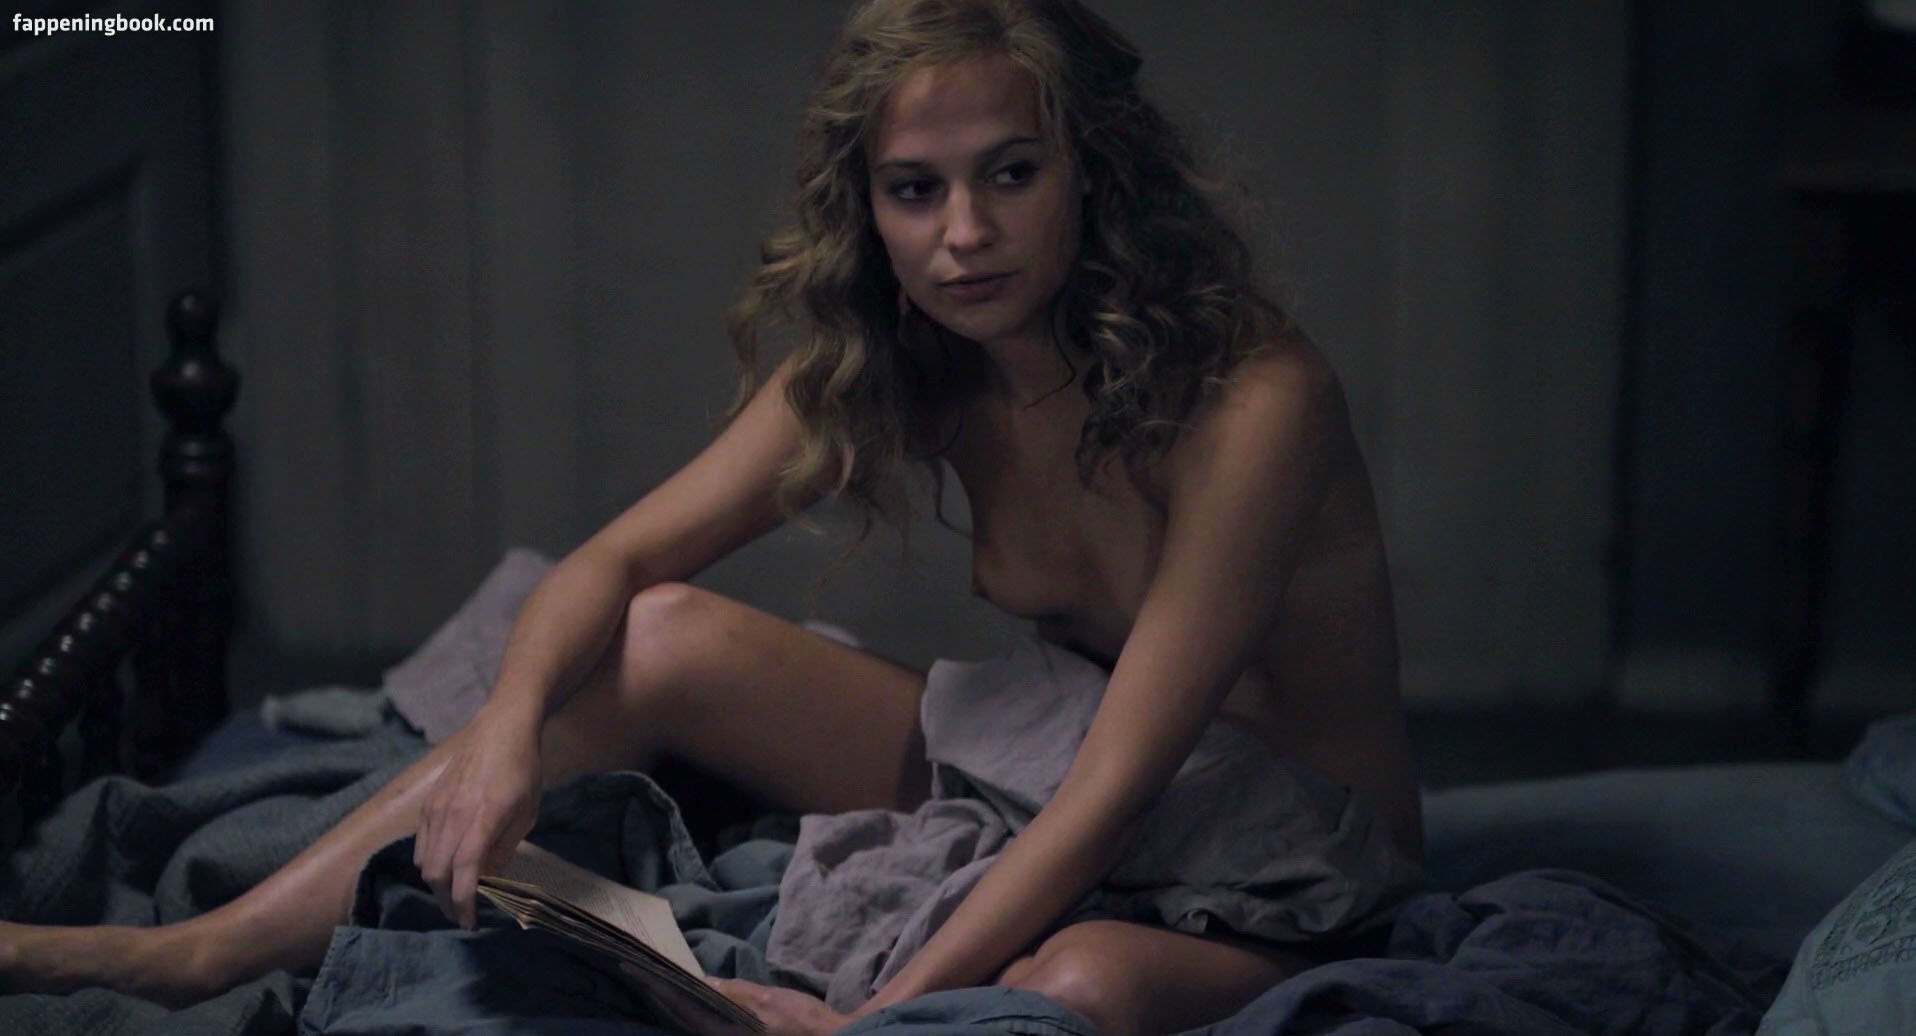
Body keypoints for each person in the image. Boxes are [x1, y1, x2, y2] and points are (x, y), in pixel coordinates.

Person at [0, 1, 1424, 1032]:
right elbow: (619, 559)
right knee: (659, 633)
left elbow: (1117, 784)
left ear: (1091, 170)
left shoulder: (1256, 398)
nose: (964, 235)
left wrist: (875, 1023)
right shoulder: (916, 357)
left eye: (1011, 172)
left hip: (1284, 847)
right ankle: (202, 951)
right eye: (914, 190)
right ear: (868, 208)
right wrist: (504, 738)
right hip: (1067, 773)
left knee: (1073, 991)